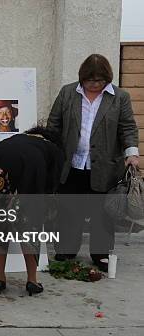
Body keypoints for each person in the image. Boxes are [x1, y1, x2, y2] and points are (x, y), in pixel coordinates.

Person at [47, 54, 139, 271]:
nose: (95, 85)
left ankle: (100, 254)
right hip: (72, 165)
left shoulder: (119, 97)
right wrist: (51, 151)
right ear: (82, 78)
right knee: (69, 210)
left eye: (99, 81)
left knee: (102, 213)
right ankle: (66, 249)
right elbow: (54, 123)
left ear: (107, 79)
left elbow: (128, 127)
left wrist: (132, 153)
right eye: (90, 81)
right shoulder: (68, 93)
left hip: (105, 167)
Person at [0, 126, 64, 296]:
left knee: (0, 222)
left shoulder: (16, 140)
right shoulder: (52, 148)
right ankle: (32, 280)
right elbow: (51, 185)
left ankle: (0, 277)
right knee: (30, 227)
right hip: (29, 168)